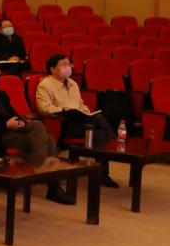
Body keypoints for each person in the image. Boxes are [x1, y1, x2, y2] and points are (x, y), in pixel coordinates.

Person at [0, 57, 73, 204]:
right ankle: (52, 186)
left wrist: (20, 121)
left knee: (37, 125)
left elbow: (12, 113)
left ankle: (40, 168)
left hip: (13, 130)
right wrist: (5, 124)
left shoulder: (1, 94)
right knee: (50, 141)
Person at [36, 53, 119, 187]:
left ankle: (103, 173)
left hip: (80, 121)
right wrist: (64, 110)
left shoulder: (73, 83)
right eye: (64, 64)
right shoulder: (45, 85)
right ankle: (114, 147)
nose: (68, 67)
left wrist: (85, 111)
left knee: (99, 132)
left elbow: (80, 104)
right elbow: (44, 108)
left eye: (69, 64)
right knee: (99, 126)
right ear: (52, 69)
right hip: (63, 123)